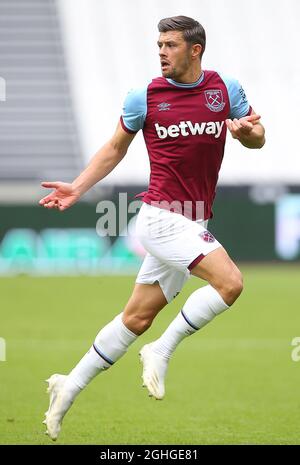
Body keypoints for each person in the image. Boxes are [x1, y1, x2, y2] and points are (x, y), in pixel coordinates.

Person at [39, 15, 265, 441]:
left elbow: (257, 136)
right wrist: (77, 187)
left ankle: (68, 386)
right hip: (161, 217)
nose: (161, 51)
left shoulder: (225, 89)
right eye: (159, 44)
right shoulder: (144, 96)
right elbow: (113, 149)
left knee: (137, 317)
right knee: (230, 283)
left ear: (195, 50)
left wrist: (247, 133)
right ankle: (161, 350)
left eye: (171, 45)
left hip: (193, 219)